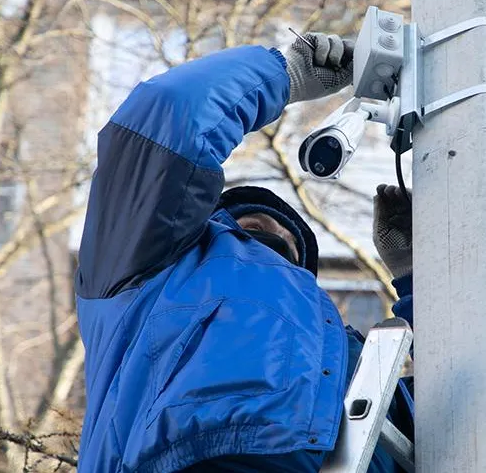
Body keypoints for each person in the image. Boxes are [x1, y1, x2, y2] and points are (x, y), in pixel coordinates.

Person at [74, 32, 415, 473]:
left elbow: (474, 420)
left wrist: (414, 274)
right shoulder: (148, 269)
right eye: (242, 227)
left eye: (288, 242)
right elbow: (168, 121)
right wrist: (285, 75)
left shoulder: (350, 359)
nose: (272, 229)